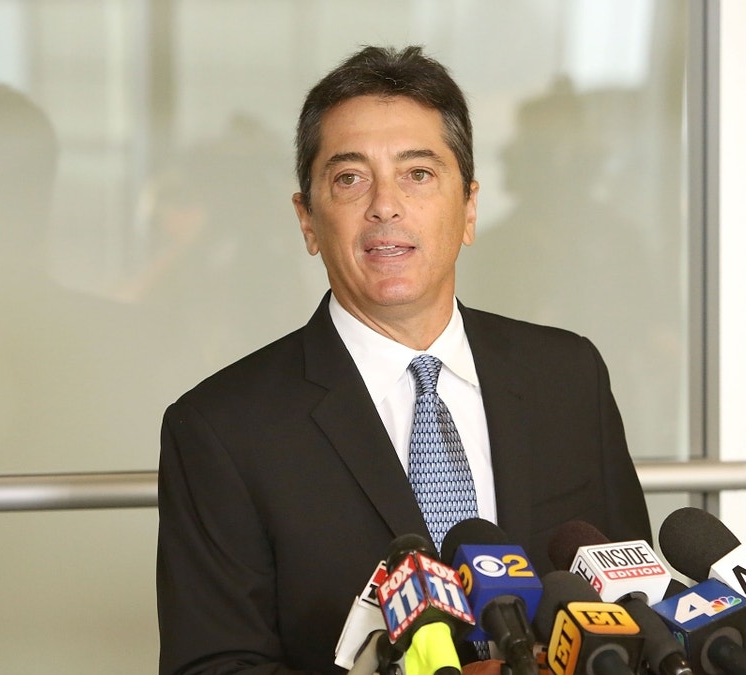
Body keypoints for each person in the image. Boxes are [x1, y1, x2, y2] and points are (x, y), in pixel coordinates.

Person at [156, 45, 650, 675]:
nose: (385, 205)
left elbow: (635, 609)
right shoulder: (223, 429)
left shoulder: (568, 376)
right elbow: (215, 665)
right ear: (307, 220)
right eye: (350, 178)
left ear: (469, 207)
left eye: (418, 173)